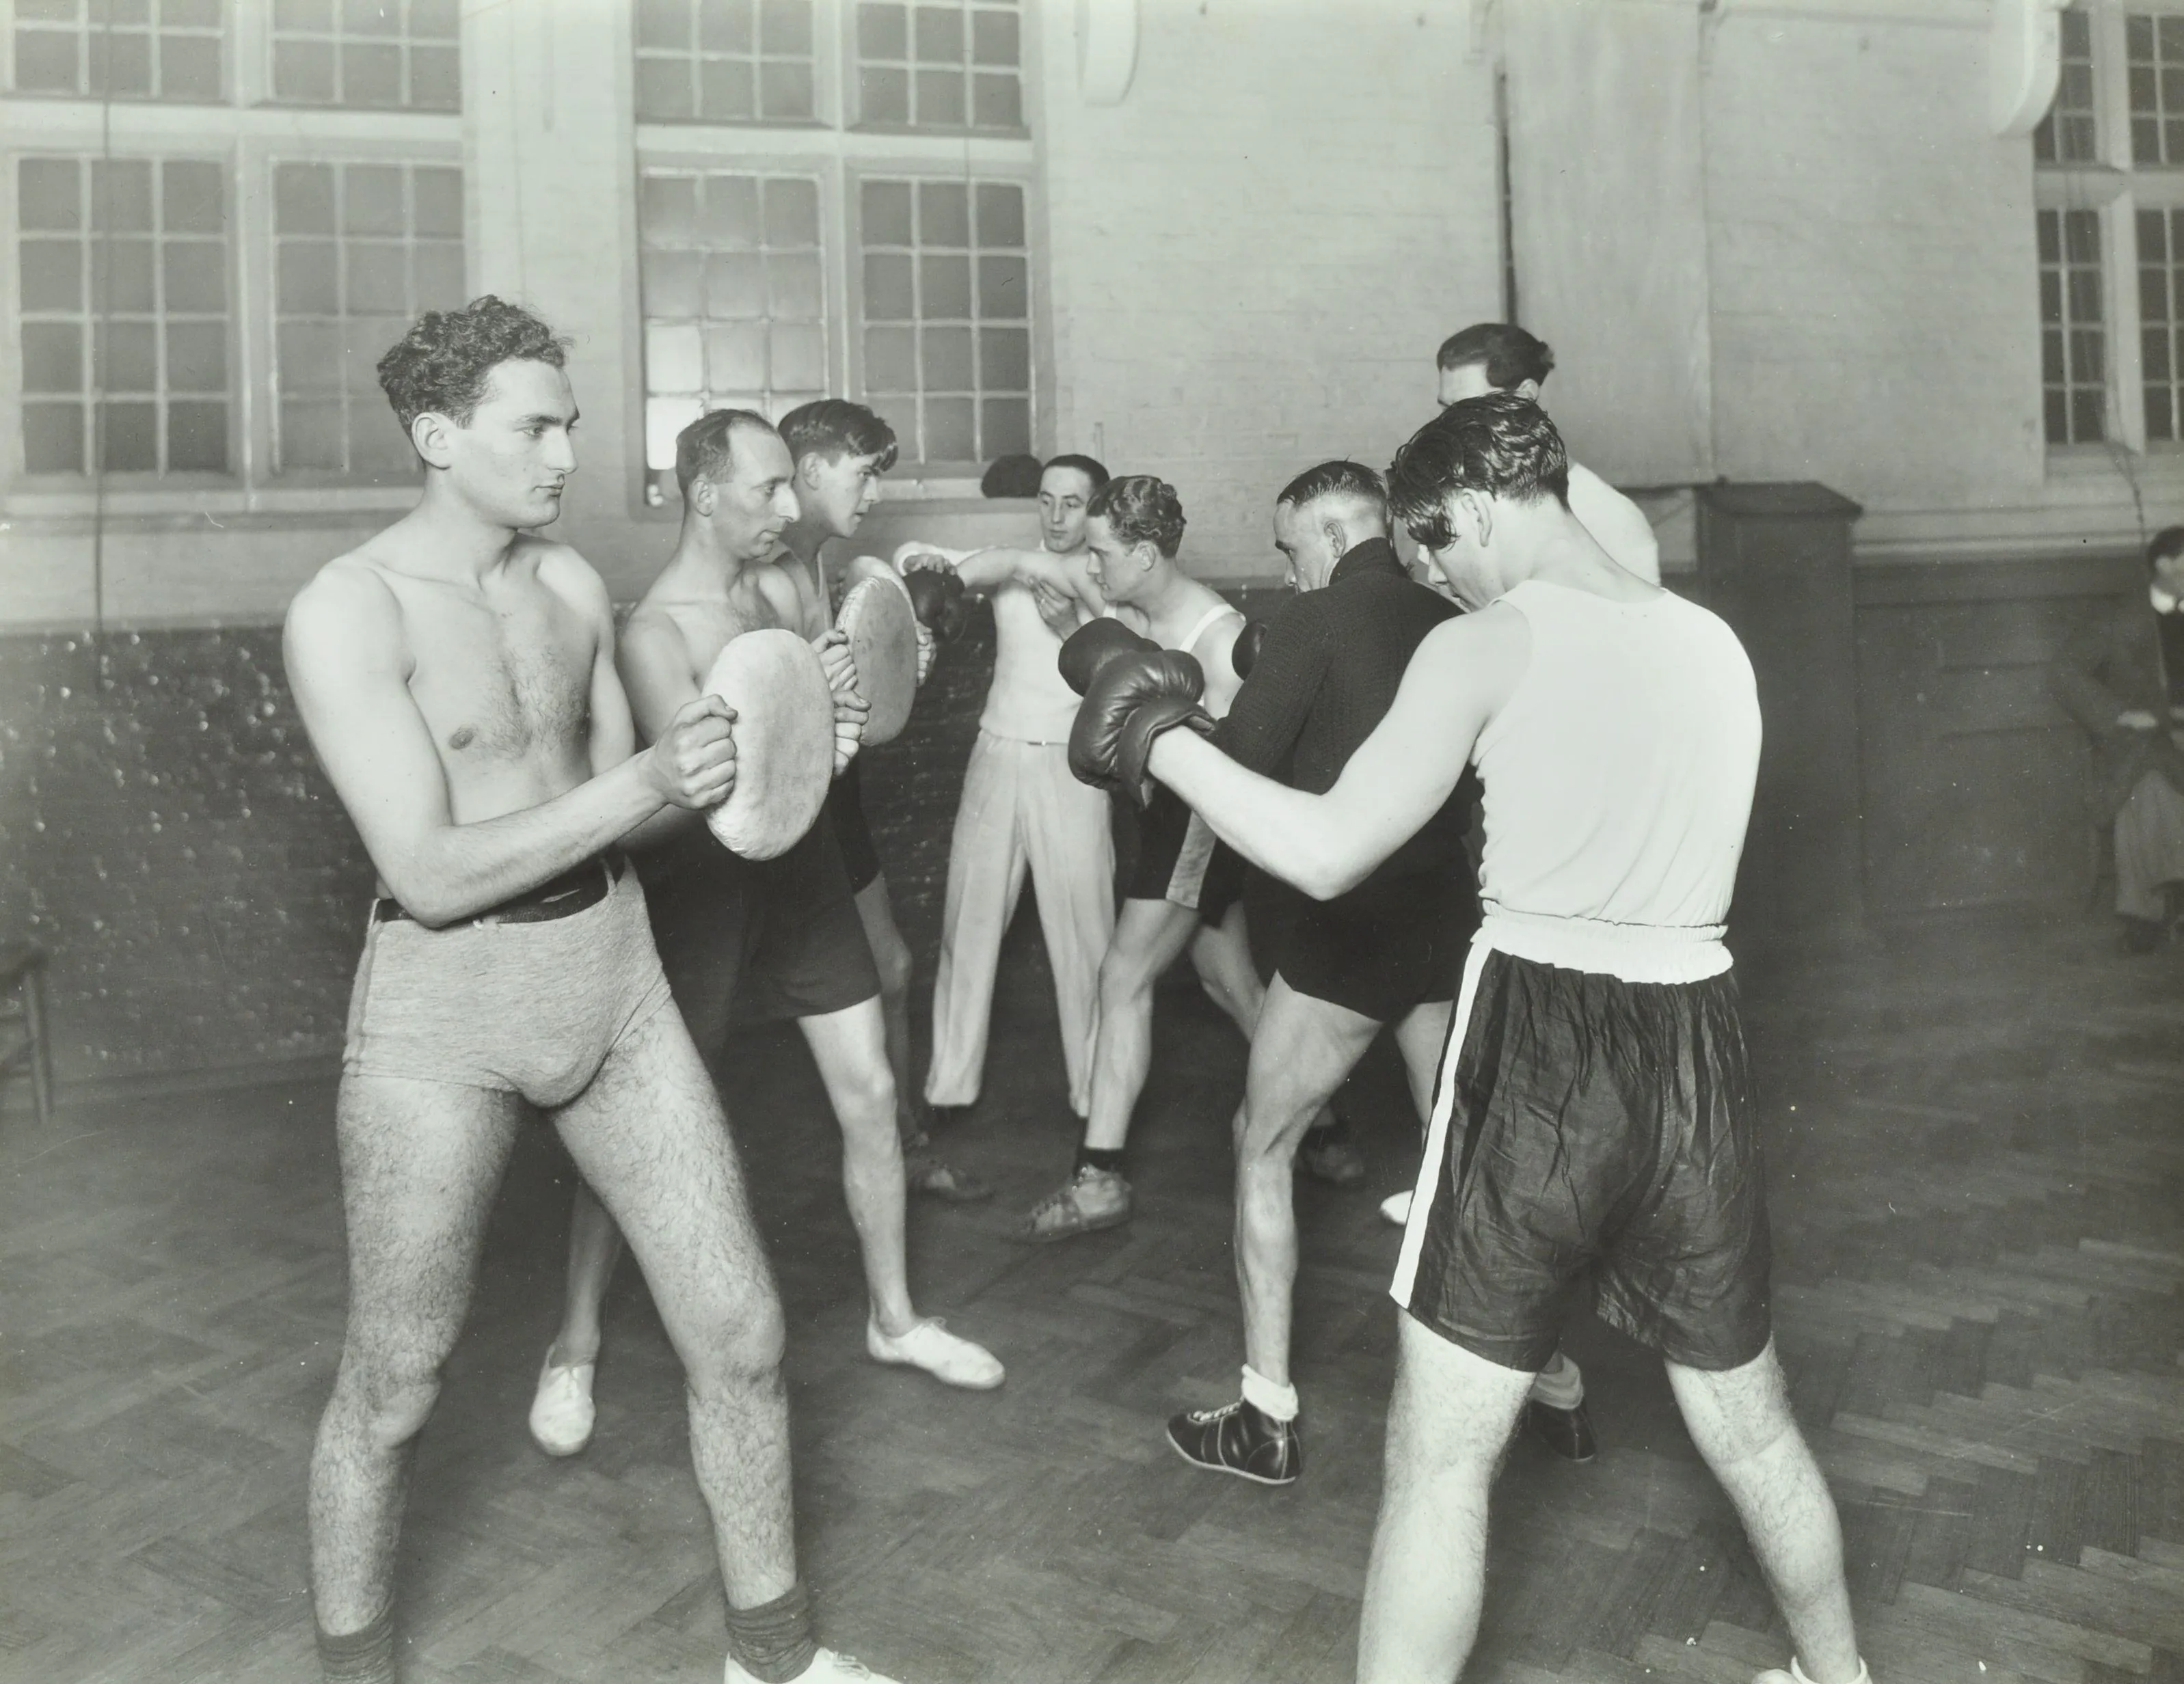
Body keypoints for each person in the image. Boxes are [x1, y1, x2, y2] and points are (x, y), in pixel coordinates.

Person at [1077, 394, 1865, 1684]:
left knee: (1438, 1456)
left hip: (1545, 1045)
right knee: (1754, 1423)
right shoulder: (1715, 642)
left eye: (1434, 548)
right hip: (1698, 1045)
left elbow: (1327, 852)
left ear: (1481, 510)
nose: (1430, 578)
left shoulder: (1490, 642)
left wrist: (1165, 740)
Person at [288, 299, 892, 1684]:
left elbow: (649, 816)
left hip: (611, 980)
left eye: (570, 421)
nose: (568, 452)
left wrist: (785, 732)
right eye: (537, 426)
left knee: (738, 1331)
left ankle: (775, 1656)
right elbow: (430, 869)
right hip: (442, 1014)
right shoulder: (349, 608)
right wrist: (646, 781)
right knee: (394, 1384)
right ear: (439, 436)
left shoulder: (567, 590)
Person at [528, 407, 1002, 1463]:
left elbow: (837, 745)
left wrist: (857, 689)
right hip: (700, 888)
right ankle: (574, 1341)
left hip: (804, 877)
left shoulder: (787, 584)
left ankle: (893, 1319)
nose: (790, 509)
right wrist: (796, 711)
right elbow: (703, 793)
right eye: (768, 489)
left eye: (794, 487)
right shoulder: (656, 631)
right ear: (704, 493)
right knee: (644, 1131)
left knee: (872, 1091)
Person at [1164, 461, 1593, 1486]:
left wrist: (1174, 738)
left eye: (1286, 548)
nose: (1288, 567)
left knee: (1259, 1142)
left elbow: (1241, 778)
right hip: (1448, 925)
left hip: (1342, 938)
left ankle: (1264, 1417)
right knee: (1466, 1156)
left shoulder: (1308, 626)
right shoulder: (1458, 615)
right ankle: (1557, 1387)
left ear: (1322, 535)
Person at [1010, 476, 1276, 1242]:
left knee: (1122, 979)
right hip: (1162, 825)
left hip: (1196, 831)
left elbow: (1237, 775)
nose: (1091, 568)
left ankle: (1099, 1177)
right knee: (1231, 982)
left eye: (1102, 554)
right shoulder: (1128, 611)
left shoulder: (1220, 639)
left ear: (1147, 553)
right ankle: (1325, 1128)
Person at [773, 398, 986, 1199]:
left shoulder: (825, 561)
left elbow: (847, 702)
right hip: (786, 805)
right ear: (813, 468)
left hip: (838, 797)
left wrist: (897, 665)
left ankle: (905, 1144)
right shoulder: (770, 562)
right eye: (863, 475)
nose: (874, 495)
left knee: (892, 967)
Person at [911, 454, 1120, 1128]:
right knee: (966, 924)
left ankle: (1095, 1095)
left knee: (1086, 935)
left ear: (1098, 509)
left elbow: (1123, 670)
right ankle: (949, 1086)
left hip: (1073, 766)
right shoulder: (1010, 564)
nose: (1057, 518)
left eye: (1073, 504)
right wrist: (948, 577)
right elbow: (916, 555)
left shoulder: (1107, 579)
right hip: (996, 753)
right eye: (1046, 501)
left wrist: (1065, 618)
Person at [1434, 322, 1660, 584]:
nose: (1450, 425)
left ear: (1524, 396)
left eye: (1469, 407)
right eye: (1446, 408)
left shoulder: (1609, 514)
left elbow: (1637, 622)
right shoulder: (1448, 496)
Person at [2055, 522, 2184, 950]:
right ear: (2166, 565)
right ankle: (2149, 913)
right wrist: (2119, 715)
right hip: (2147, 740)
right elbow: (2065, 670)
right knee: (2147, 785)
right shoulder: (2121, 619)